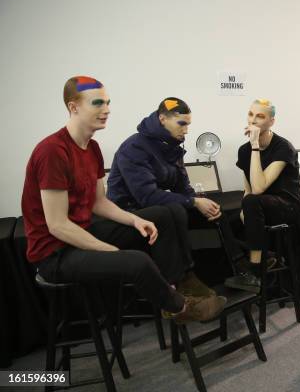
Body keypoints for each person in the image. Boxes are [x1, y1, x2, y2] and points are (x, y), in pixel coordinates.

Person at [22, 76, 226, 325]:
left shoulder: (92, 148)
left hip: (82, 231)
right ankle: (180, 307)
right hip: (56, 253)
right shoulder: (53, 151)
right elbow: (57, 225)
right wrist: (109, 251)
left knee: (162, 215)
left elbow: (99, 203)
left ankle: (181, 283)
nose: (106, 110)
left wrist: (135, 220)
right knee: (136, 261)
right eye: (97, 103)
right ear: (73, 107)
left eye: (108, 103)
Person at [107, 97, 240, 296]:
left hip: (154, 207)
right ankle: (184, 281)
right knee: (175, 210)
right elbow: (147, 196)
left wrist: (198, 202)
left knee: (214, 211)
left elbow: (182, 187)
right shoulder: (134, 147)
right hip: (128, 213)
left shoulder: (172, 144)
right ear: (162, 119)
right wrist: (193, 201)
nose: (186, 130)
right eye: (182, 123)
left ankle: (238, 267)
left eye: (188, 124)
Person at [224, 99, 300, 292]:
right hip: (259, 206)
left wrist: (255, 147)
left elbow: (259, 187)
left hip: (287, 206)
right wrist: (245, 207)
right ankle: (255, 261)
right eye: (251, 114)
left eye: (260, 116)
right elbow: (248, 187)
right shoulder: (244, 150)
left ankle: (256, 269)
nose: (254, 120)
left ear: (271, 122)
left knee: (251, 202)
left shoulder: (283, 147)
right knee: (224, 218)